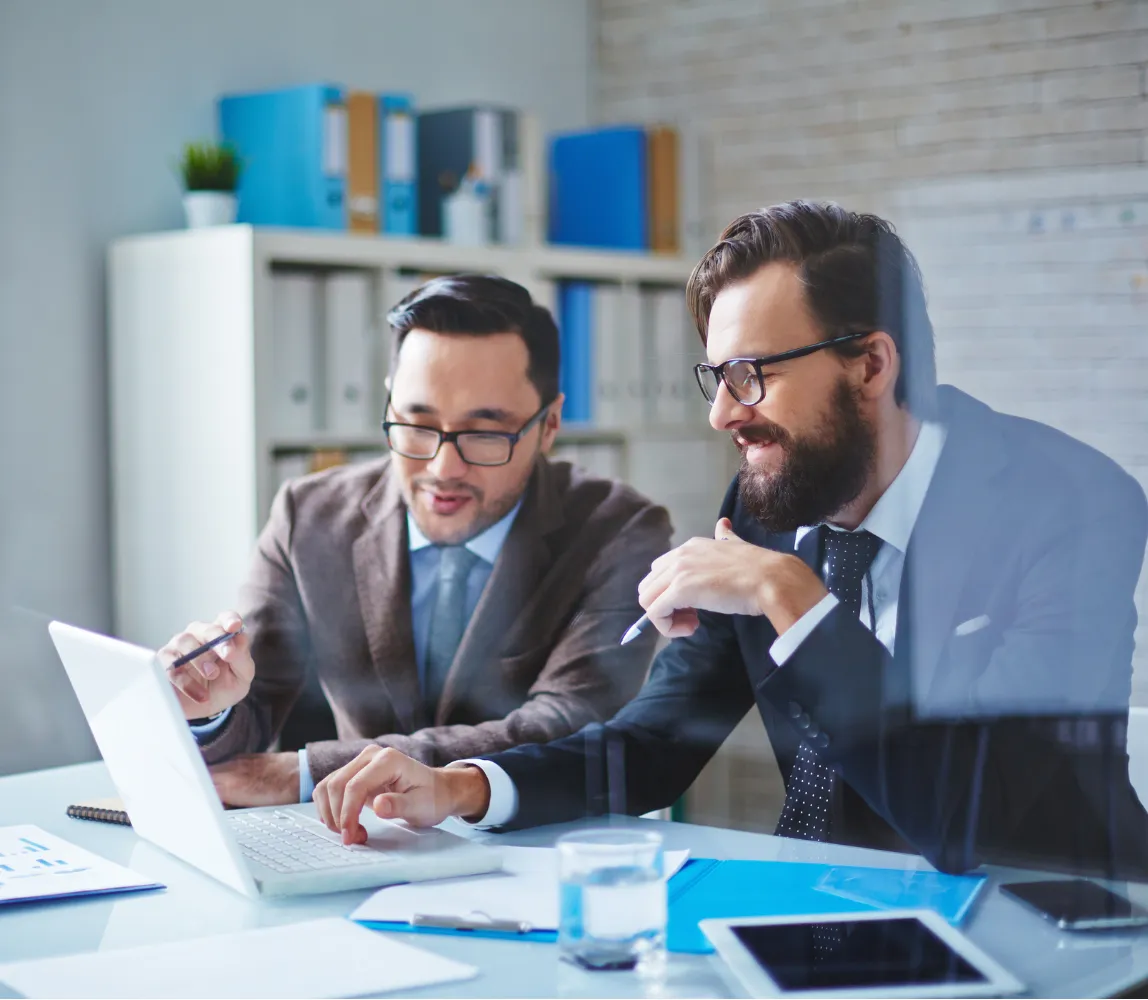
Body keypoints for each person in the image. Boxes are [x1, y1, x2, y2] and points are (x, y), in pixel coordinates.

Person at [311, 202, 1148, 877]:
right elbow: (652, 746)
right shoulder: (768, 508)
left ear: (871, 363)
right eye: (717, 377)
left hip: (1069, 930)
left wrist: (792, 600)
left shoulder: (1069, 507)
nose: (723, 415)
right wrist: (459, 787)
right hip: (838, 918)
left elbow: (976, 817)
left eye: (755, 375)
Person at [161, 274, 672, 806]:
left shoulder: (620, 530)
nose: (442, 467)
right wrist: (208, 705)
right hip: (356, 843)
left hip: (535, 848)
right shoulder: (307, 517)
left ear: (549, 425)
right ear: (389, 406)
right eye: (417, 425)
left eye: (485, 433)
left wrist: (308, 771)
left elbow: (566, 724)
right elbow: (252, 707)